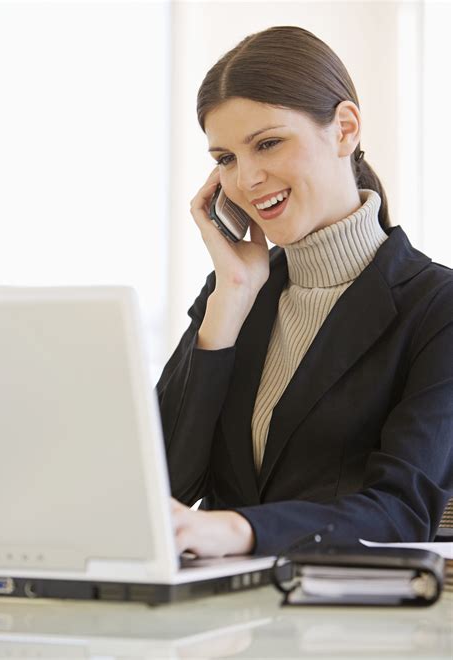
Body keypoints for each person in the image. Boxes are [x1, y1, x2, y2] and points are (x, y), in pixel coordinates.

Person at [157, 26, 453, 558]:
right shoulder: (233, 295)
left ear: (344, 129)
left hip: (351, 631)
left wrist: (237, 530)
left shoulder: (435, 307)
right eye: (225, 158)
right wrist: (229, 302)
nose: (246, 178)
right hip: (221, 627)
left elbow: (400, 512)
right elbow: (163, 492)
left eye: (267, 143)